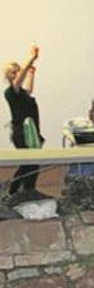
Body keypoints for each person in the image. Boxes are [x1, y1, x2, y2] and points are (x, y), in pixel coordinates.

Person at [4, 44, 44, 198]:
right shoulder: (10, 92)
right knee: (29, 163)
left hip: (31, 132)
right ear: (9, 76)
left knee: (32, 163)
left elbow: (29, 90)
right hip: (22, 133)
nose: (17, 74)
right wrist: (32, 58)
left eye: (18, 70)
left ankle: (26, 190)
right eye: (13, 72)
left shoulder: (21, 93)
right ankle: (16, 191)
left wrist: (32, 74)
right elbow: (19, 82)